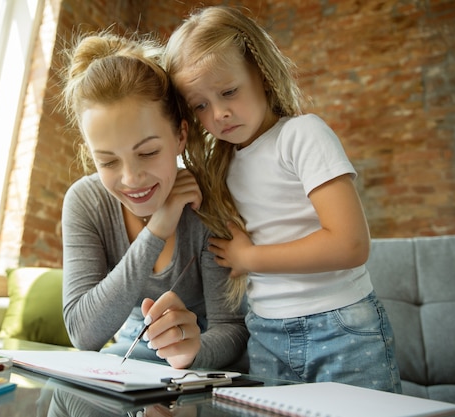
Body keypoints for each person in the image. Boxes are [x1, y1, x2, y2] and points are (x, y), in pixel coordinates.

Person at [164, 5, 402, 391]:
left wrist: (250, 258)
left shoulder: (303, 135)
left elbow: (351, 243)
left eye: (229, 91)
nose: (220, 114)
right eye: (200, 105)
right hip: (266, 331)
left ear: (260, 72)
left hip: (341, 324)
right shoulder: (220, 166)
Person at [60, 30, 248, 370]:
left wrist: (191, 351)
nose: (131, 179)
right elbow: (83, 333)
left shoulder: (208, 200)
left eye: (147, 152)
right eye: (108, 161)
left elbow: (232, 329)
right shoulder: (86, 202)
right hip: (128, 356)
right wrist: (157, 229)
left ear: (180, 136)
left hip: (201, 361)